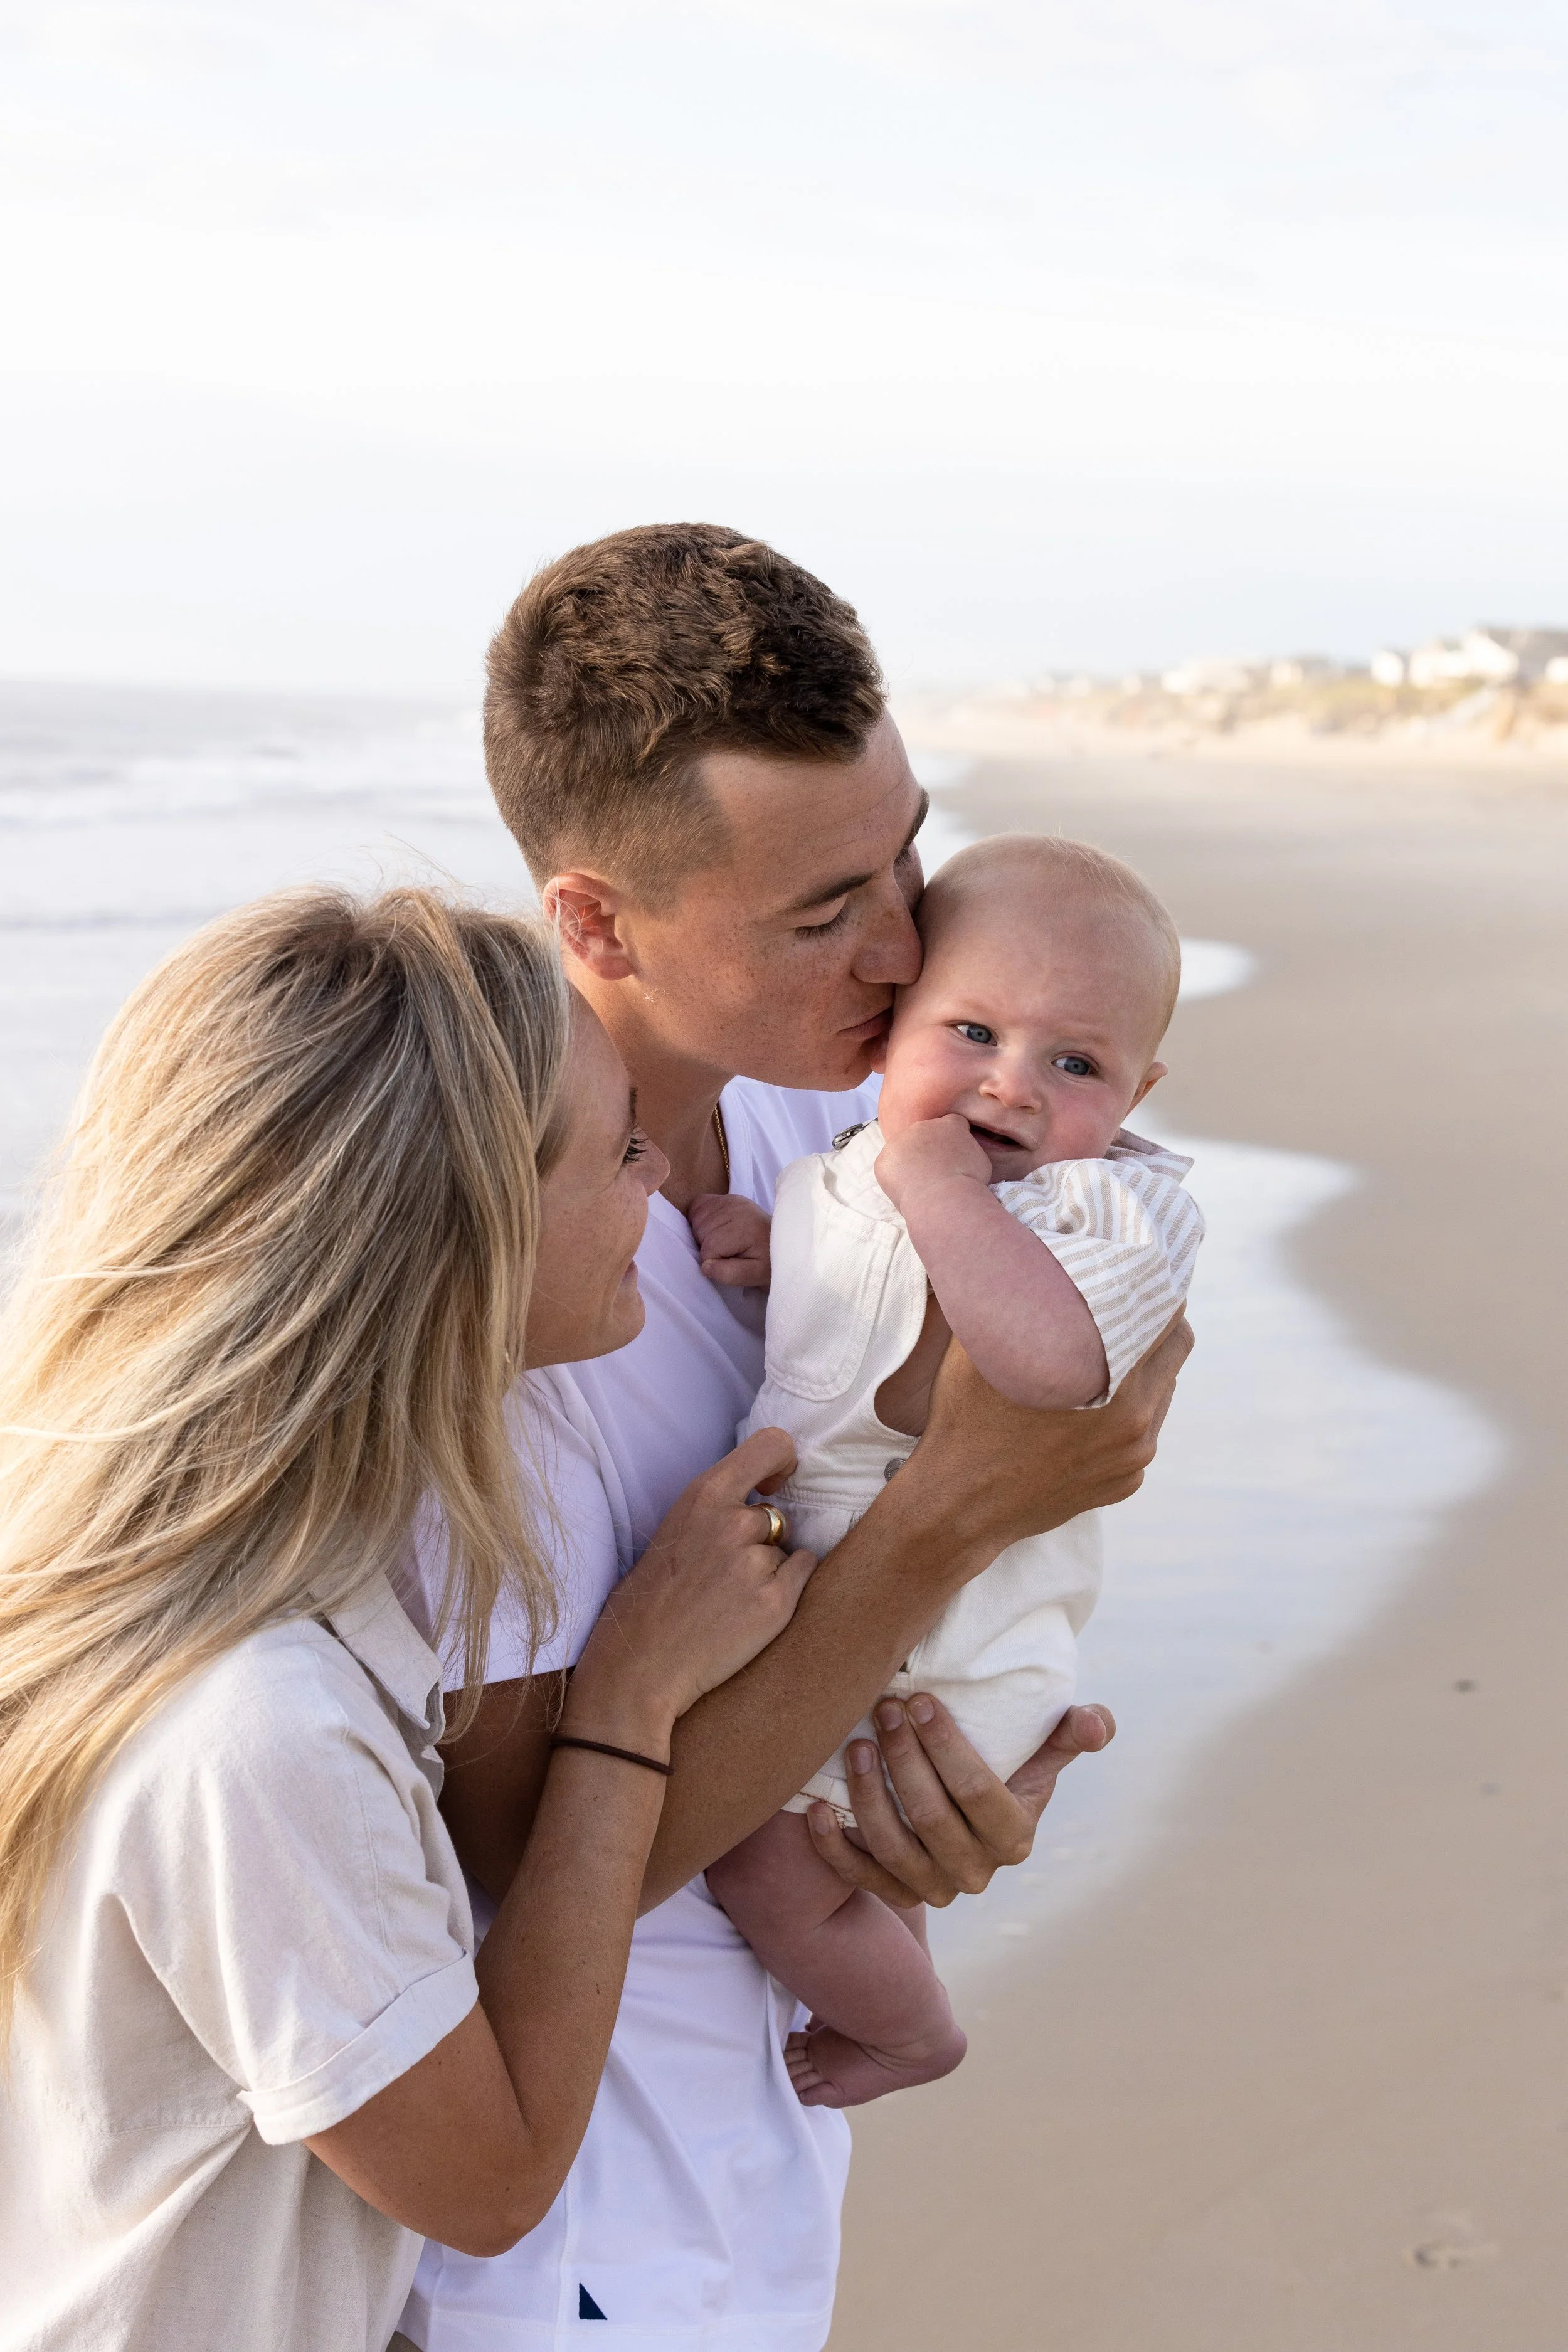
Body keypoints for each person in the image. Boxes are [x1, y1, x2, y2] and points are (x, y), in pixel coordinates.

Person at [400, 526, 1192, 2349]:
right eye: (821, 911)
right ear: (595, 921)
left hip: (765, 2147)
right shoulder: (494, 1292)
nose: (906, 944)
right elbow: (526, 1853)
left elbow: (1094, 1355)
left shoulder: (816, 1137)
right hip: (569, 2229)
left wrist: (929, 1795)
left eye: (901, 855)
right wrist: (933, 1525)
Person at [0, 887, 817, 2352]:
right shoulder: (253, 1729)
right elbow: (490, 2182)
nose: (660, 1178)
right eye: (616, 1146)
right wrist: (628, 1699)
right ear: (459, 1236)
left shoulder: (178, 1580)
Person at [703, 834, 1205, 2109]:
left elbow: (1041, 1364)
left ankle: (913, 2033)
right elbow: (857, 1318)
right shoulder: (855, 1166)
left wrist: (938, 1195)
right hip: (861, 1623)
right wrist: (778, 1256)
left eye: (1073, 1063)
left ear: (1135, 1098)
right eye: (970, 1031)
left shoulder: (1091, 1211)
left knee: (767, 1865)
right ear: (888, 1029)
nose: (1011, 1088)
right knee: (837, 1859)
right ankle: (887, 1982)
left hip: (951, 1657)